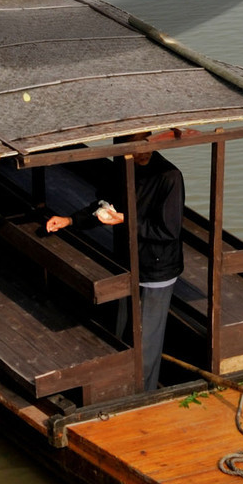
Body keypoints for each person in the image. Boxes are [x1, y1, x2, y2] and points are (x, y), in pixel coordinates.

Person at [46, 146, 185, 389]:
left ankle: (143, 393)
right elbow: (104, 205)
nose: (141, 153)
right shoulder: (123, 167)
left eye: (145, 146)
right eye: (134, 148)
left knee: (147, 340)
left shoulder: (169, 177)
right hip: (126, 263)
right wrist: (70, 220)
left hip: (157, 269)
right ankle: (119, 385)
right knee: (121, 330)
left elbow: (168, 230)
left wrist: (125, 220)